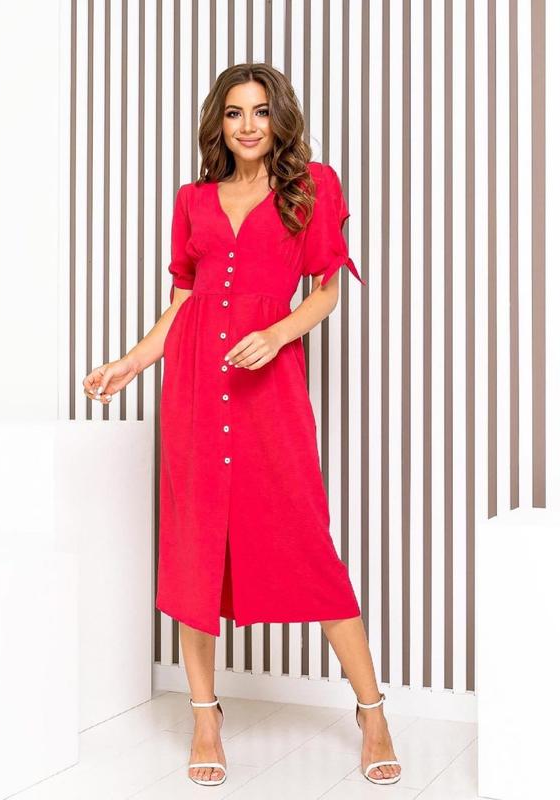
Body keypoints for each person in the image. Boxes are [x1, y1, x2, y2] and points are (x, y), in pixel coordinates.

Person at [83, 63, 401, 788]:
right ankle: (205, 716)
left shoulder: (310, 186)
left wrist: (278, 333)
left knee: (307, 545)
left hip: (268, 393)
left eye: (260, 111)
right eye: (234, 113)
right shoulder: (193, 199)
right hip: (196, 390)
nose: (248, 125)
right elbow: (183, 301)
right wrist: (131, 362)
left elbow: (325, 291)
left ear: (278, 118)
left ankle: (372, 711)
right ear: (218, 123)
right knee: (194, 552)